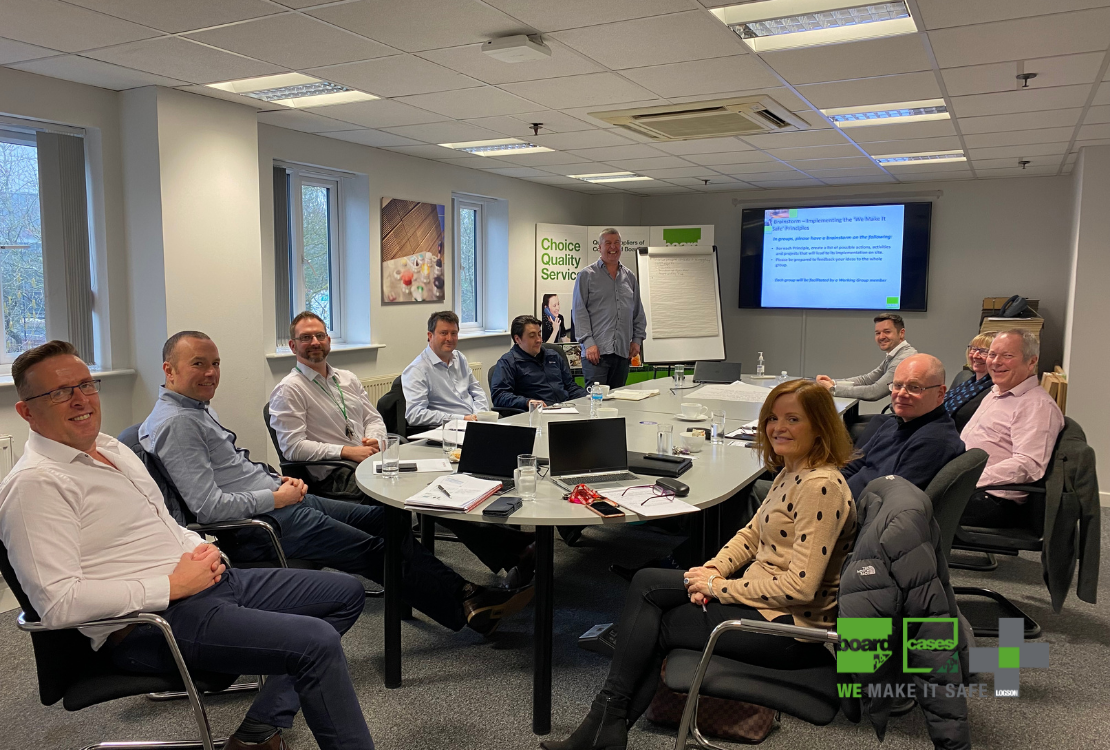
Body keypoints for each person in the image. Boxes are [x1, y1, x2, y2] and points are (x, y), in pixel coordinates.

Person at [0, 341, 375, 750]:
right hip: (151, 623)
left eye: (86, 385)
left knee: (345, 593)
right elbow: (58, 604)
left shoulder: (111, 449)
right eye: (59, 392)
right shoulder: (35, 485)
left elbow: (164, 522)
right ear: (26, 411)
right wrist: (171, 586)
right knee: (315, 642)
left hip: (207, 582)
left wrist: (204, 548)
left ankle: (258, 731)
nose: (81, 399)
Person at [142, 330, 532, 636]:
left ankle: (462, 590)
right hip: (265, 523)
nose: (211, 373)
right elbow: (208, 508)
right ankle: (465, 601)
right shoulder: (178, 423)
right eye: (198, 364)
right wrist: (275, 496)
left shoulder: (194, 409)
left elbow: (231, 472)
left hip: (282, 498)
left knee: (389, 518)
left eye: (215, 364)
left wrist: (274, 481)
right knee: (376, 548)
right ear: (169, 370)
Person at [542, 379, 856, 750]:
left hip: (788, 628)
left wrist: (718, 587)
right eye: (772, 418)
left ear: (820, 426)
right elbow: (750, 536)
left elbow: (799, 588)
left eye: (793, 419)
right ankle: (605, 726)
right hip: (763, 605)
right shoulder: (792, 471)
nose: (778, 427)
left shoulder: (820, 486)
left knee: (654, 619)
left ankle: (604, 725)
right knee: (647, 585)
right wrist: (714, 569)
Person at [271, 311, 535, 584]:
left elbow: (374, 419)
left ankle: (515, 549)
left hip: (372, 459)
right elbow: (292, 447)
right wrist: (347, 452)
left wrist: (376, 439)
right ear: (293, 345)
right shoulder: (290, 390)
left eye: (320, 335)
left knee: (439, 487)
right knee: (424, 494)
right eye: (306, 338)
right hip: (339, 474)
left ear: (328, 340)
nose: (315, 342)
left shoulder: (345, 378)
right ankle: (514, 550)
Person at [960, 329, 1064, 528]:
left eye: (1007, 356)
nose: (995, 362)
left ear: (1031, 362)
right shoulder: (997, 391)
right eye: (992, 354)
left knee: (911, 509)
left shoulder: (1037, 406)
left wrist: (968, 479)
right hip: (970, 485)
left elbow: (1029, 464)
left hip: (991, 499)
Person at [841, 354, 965, 499]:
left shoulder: (934, 442)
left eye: (914, 387)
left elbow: (890, 502)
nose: (901, 394)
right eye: (897, 385)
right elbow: (854, 465)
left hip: (859, 509)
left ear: (940, 393)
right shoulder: (894, 423)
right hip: (841, 499)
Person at [572, 228, 647, 389]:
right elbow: (579, 312)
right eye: (608, 243)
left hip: (622, 353)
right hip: (596, 354)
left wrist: (637, 340)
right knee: (596, 400)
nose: (613, 247)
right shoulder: (586, 275)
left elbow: (638, 312)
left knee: (617, 399)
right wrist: (588, 343)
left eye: (617, 243)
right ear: (599, 247)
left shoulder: (629, 277)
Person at [401, 310, 488, 428]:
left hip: (474, 423)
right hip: (449, 429)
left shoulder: (460, 358)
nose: (449, 338)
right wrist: (461, 419)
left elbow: (477, 392)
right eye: (444, 333)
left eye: (454, 333)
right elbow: (415, 414)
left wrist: (479, 415)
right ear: (430, 336)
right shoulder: (417, 370)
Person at [491, 315, 587, 411]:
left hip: (566, 409)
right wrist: (527, 402)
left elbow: (570, 387)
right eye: (532, 336)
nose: (539, 340)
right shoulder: (508, 362)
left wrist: (588, 397)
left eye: (539, 334)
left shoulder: (553, 355)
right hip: (537, 413)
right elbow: (499, 396)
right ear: (517, 339)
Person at [816, 313, 918, 401]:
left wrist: (833, 389)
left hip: (905, 417)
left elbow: (874, 392)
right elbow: (867, 380)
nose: (881, 337)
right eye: (878, 333)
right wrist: (833, 383)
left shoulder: (903, 359)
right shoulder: (895, 355)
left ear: (901, 333)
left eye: (887, 332)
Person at [944, 332, 995, 431]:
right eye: (974, 349)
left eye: (984, 351)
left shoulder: (994, 391)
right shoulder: (967, 381)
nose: (976, 355)